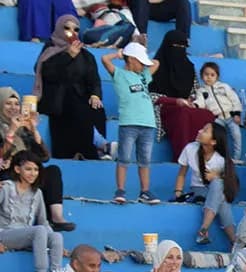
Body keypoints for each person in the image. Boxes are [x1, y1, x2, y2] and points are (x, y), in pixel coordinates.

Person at [35, 16, 108, 161]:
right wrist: (68, 56)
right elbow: (48, 74)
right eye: (67, 28)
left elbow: (94, 80)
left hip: (81, 97)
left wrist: (95, 95)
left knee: (97, 109)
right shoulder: (50, 50)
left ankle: (95, 151)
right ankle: (97, 145)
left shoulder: (86, 55)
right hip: (57, 97)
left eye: (76, 29)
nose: (72, 32)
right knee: (76, 106)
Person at [0, 87, 73, 231]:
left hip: (26, 172)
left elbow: (44, 157)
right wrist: (12, 130)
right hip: (7, 173)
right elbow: (2, 156)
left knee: (52, 171)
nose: (13, 108)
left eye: (16, 104)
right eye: (8, 103)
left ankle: (56, 217)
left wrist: (33, 130)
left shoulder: (24, 129)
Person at [101, 42, 159, 206]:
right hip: (129, 122)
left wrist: (142, 55)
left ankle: (144, 191)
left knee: (145, 160)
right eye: (140, 62)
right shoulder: (120, 74)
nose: (143, 66)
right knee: (124, 158)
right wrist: (119, 54)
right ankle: (120, 190)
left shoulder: (143, 75)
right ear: (132, 60)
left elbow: (156, 63)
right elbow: (105, 59)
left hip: (148, 123)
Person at [0, 152, 64, 272]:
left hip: (26, 235)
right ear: (17, 169)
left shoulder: (37, 193)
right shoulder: (5, 188)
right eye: (28, 169)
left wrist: (52, 243)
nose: (33, 173)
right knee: (39, 231)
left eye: (36, 169)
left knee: (56, 237)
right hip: (5, 234)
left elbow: (43, 221)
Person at [172, 122, 238, 247]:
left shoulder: (221, 160)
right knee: (221, 200)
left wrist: (216, 176)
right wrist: (178, 193)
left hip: (216, 191)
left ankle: (204, 228)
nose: (200, 131)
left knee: (218, 187)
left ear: (213, 141)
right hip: (198, 189)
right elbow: (181, 174)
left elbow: (229, 183)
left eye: (205, 131)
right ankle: (234, 241)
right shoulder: (190, 149)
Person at [149, 31, 214, 154]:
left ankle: (204, 156)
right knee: (182, 114)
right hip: (164, 106)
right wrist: (175, 101)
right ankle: (183, 155)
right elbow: (150, 96)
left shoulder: (189, 68)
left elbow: (196, 91)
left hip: (187, 106)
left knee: (207, 115)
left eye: (183, 47)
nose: (179, 50)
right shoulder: (155, 66)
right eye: (176, 46)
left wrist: (192, 101)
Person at [192, 61, 243, 163]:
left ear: (217, 76)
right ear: (202, 76)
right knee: (218, 138)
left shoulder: (224, 87)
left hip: (231, 116)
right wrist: (195, 105)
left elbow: (234, 99)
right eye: (206, 74)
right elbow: (200, 102)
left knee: (237, 135)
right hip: (217, 118)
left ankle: (236, 158)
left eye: (212, 75)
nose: (209, 77)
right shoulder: (201, 90)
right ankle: (222, 158)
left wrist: (237, 113)